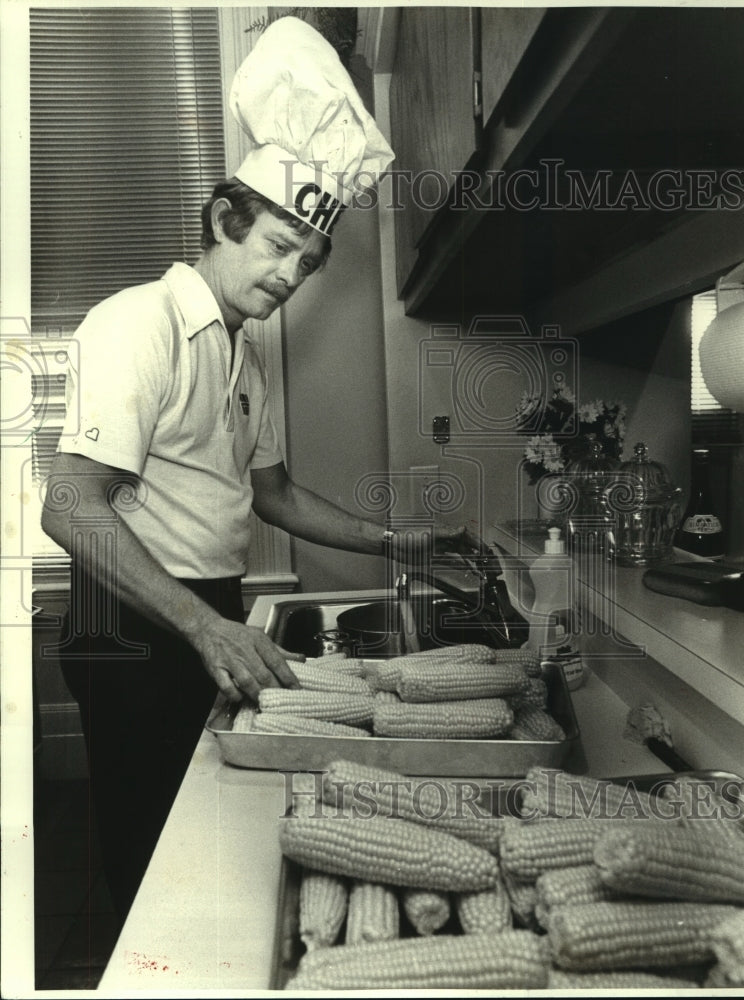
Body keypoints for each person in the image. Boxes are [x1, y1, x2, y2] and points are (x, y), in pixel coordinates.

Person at [40, 16, 480, 922]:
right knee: (154, 853)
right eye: (278, 248)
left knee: (206, 841)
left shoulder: (245, 355)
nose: (291, 277)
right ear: (221, 220)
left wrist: (404, 542)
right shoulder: (139, 323)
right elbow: (71, 507)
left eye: (309, 264)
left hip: (203, 609)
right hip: (130, 626)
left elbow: (274, 496)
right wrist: (207, 628)